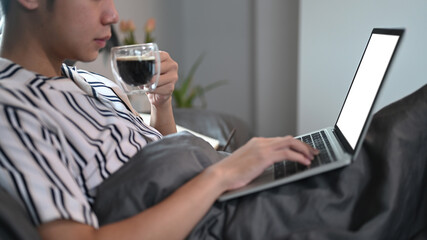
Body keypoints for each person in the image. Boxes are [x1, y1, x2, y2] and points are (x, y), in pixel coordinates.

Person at [0, 0, 319, 239]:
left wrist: (161, 104)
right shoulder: (12, 107)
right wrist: (222, 175)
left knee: (342, 163)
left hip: (227, 197)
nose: (112, 15)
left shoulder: (94, 82)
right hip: (219, 222)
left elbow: (151, 155)